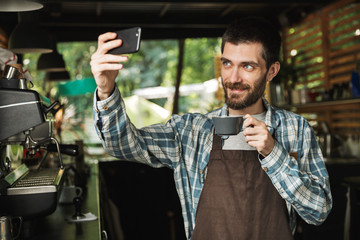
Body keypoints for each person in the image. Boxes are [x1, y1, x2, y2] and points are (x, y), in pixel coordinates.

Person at [91, 17, 332, 240]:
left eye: (247, 67)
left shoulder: (295, 129)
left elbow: (318, 212)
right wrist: (105, 90)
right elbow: (121, 144)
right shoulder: (191, 131)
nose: (233, 77)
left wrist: (273, 152)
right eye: (228, 63)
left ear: (271, 71)